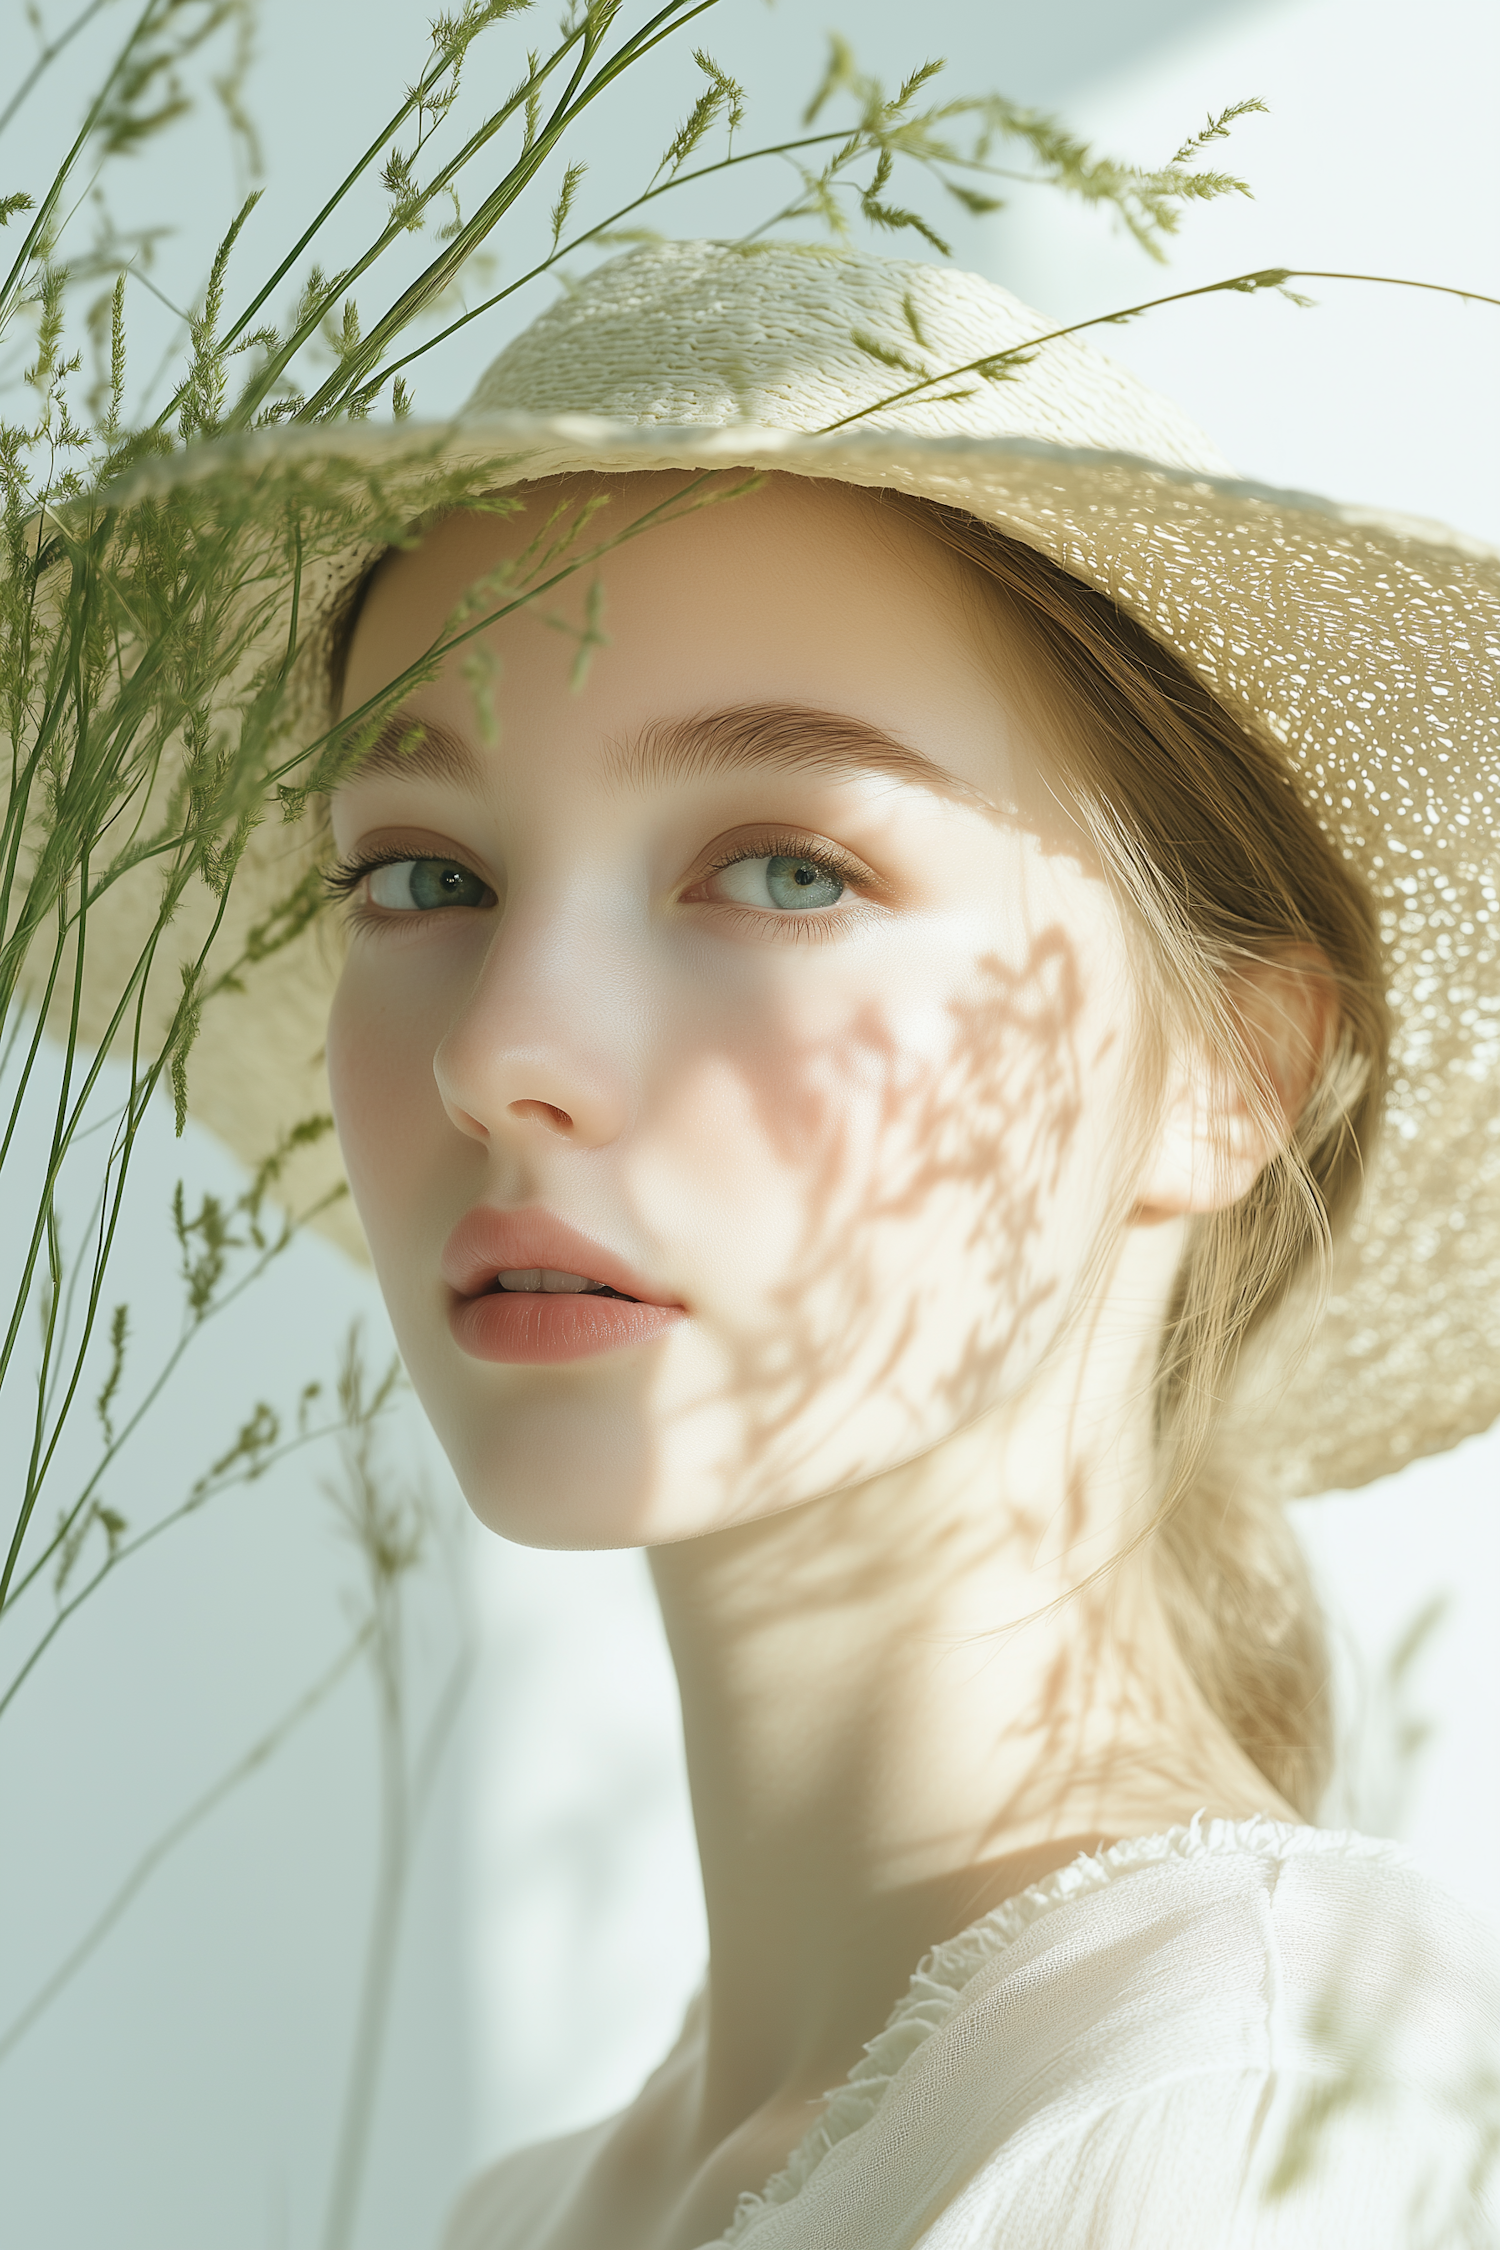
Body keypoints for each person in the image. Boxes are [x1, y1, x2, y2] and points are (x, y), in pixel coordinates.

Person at [110, 241, 1500, 2243]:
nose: (505, 1053)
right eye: (425, 874)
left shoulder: (1273, 2120)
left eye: (783, 866)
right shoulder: (537, 2212)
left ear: (1225, 1068)